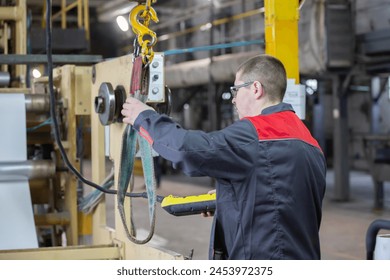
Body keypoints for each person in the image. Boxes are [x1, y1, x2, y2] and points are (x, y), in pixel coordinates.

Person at [121, 54, 326, 260]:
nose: (234, 99)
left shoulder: (255, 133)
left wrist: (144, 118)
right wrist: (231, 199)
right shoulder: (310, 142)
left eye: (236, 90)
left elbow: (186, 150)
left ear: (256, 89)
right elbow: (279, 198)